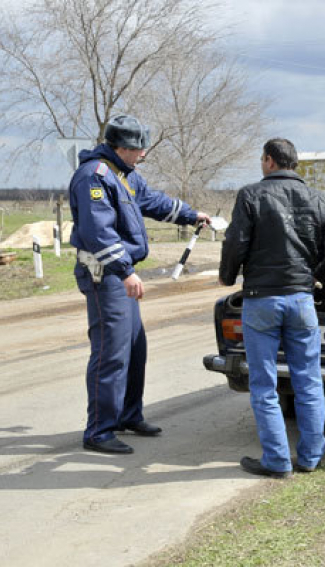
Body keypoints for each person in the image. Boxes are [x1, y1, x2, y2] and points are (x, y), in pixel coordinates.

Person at [69, 114, 211, 454]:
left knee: (134, 347)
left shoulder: (124, 175)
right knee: (110, 352)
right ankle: (99, 431)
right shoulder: (95, 177)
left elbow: (152, 201)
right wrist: (125, 270)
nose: (143, 154)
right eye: (138, 149)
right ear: (121, 147)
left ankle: (127, 416)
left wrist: (191, 214)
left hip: (120, 274)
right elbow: (97, 231)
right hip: (107, 275)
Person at [219, 138, 325, 479]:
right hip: (302, 300)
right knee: (309, 380)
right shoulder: (318, 198)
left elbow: (236, 242)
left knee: (264, 384)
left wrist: (227, 275)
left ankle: (276, 462)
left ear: (270, 161)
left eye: (262, 159)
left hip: (261, 299)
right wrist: (315, 278)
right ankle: (310, 458)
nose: (262, 164)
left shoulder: (251, 195)